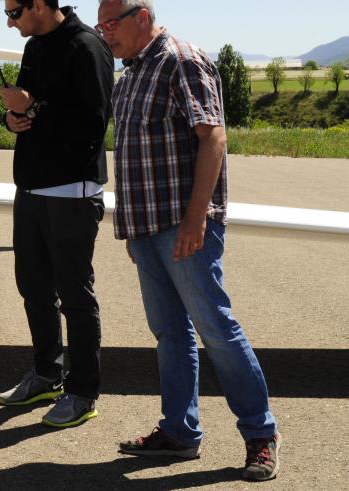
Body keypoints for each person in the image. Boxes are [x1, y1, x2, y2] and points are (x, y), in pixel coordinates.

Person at [97, 0, 280, 481]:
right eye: (100, 26)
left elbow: (213, 137)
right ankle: (180, 432)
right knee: (170, 334)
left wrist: (197, 218)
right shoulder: (133, 71)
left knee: (216, 330)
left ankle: (260, 434)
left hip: (184, 226)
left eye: (111, 24)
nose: (105, 34)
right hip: (146, 227)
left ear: (142, 16)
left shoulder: (181, 59)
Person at [0, 0, 113, 428]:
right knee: (34, 287)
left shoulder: (87, 46)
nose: (10, 22)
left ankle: (83, 392)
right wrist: (13, 118)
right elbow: (28, 109)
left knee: (75, 296)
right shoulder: (35, 47)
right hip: (32, 187)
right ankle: (47, 374)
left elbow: (95, 123)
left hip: (71, 191)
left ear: (40, 5)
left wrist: (35, 109)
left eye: (13, 13)